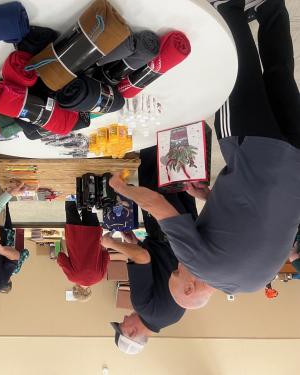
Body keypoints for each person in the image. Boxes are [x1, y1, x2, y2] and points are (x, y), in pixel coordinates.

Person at [109, 0, 300, 309]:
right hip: (252, 151)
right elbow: (158, 205)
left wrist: (209, 196)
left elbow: (254, 227)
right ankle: (229, 9)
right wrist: (122, 188)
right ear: (190, 287)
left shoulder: (253, 282)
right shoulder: (200, 266)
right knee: (235, 78)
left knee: (280, 77)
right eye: (176, 272)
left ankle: (270, 9)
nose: (177, 265)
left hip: (294, 165)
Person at [105, 147, 196, 355]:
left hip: (187, 232)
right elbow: (143, 258)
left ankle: (177, 127)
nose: (124, 318)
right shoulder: (143, 307)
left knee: (177, 169)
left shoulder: (171, 318)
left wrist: (135, 241)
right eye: (122, 325)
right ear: (131, 332)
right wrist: (111, 244)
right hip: (166, 226)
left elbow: (161, 265)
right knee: (153, 165)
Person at [57, 201, 110, 302]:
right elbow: (61, 257)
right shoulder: (73, 277)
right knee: (70, 205)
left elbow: (106, 255)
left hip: (93, 234)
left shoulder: (99, 277)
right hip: (74, 234)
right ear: (76, 289)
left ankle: (87, 187)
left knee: (88, 203)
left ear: (88, 291)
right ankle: (70, 187)